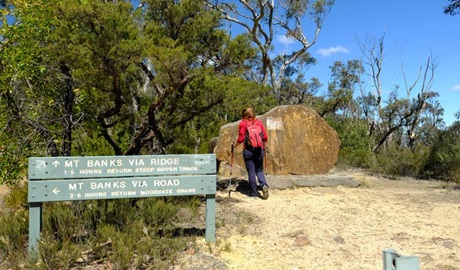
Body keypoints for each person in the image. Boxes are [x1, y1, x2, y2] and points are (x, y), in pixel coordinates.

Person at [233, 107, 269, 199]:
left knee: (251, 172)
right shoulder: (259, 122)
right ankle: (263, 185)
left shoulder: (243, 123)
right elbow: (264, 137)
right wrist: (264, 147)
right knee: (259, 170)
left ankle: (253, 192)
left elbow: (241, 138)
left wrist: (234, 146)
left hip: (248, 151)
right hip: (259, 150)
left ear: (244, 115)